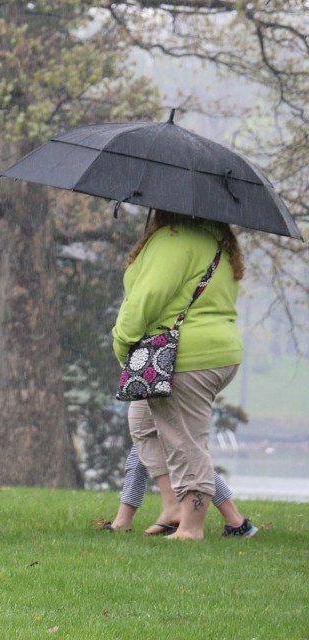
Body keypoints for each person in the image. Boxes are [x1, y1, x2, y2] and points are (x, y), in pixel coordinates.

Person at [113, 209, 256, 540]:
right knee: (143, 422)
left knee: (185, 440)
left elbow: (144, 300)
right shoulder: (216, 240)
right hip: (217, 351)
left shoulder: (174, 240)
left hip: (186, 356)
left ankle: (191, 528)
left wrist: (123, 346)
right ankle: (173, 506)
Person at [94, 443, 256, 536]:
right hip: (161, 385)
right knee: (147, 446)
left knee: (184, 453)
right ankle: (236, 522)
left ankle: (235, 522)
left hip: (167, 385)